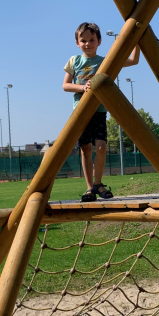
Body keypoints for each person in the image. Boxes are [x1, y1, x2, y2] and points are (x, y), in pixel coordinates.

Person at [63, 22, 140, 202]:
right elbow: (65, 85)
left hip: (98, 111)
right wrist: (82, 87)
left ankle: (98, 184)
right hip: (81, 112)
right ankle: (89, 188)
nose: (87, 43)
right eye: (83, 40)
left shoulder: (105, 61)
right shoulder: (74, 61)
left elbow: (133, 60)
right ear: (77, 43)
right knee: (85, 149)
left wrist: (137, 41)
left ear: (99, 41)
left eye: (91, 40)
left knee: (101, 147)